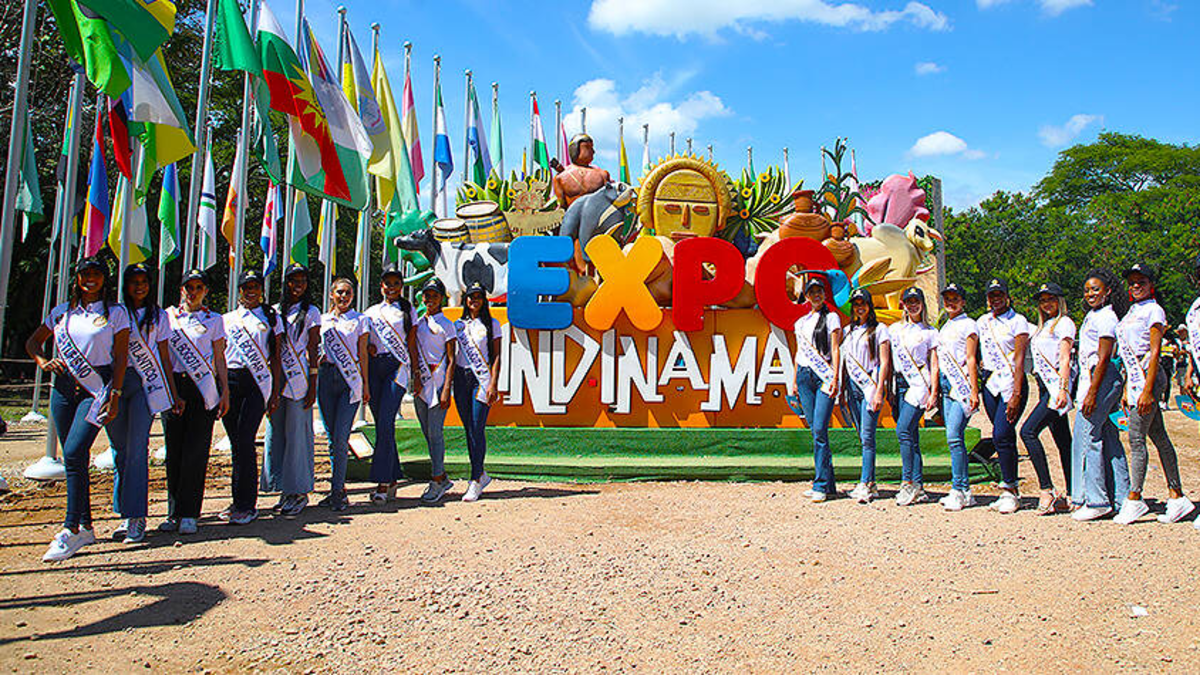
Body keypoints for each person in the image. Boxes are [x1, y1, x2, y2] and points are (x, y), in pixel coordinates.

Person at [26, 257, 130, 561]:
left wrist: (116, 394)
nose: (90, 278)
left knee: (72, 452)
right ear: (77, 278)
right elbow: (33, 342)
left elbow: (121, 358)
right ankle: (85, 525)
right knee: (76, 457)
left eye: (96, 273)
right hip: (62, 389)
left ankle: (70, 528)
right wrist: (44, 362)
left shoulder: (116, 313)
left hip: (96, 388)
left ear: (105, 278)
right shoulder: (62, 312)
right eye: (85, 274)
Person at [1112, 264, 1194, 525]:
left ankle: (1135, 498)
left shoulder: (1154, 310)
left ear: (1151, 285)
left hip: (1149, 376)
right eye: (1132, 282)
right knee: (1158, 435)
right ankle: (1177, 495)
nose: (1136, 286)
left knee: (1136, 438)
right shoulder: (1131, 311)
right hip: (1135, 377)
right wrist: (1128, 387)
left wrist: (1148, 390)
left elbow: (1155, 350)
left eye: (1142, 282)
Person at [108, 263, 180, 544]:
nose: (139, 287)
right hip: (116, 382)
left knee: (137, 447)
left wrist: (173, 393)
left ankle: (137, 515)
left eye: (144, 282)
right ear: (125, 285)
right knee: (119, 450)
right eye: (134, 282)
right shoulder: (115, 312)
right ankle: (123, 511)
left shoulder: (159, 316)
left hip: (145, 384)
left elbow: (164, 356)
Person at [161, 269, 230, 535]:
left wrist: (224, 390)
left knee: (196, 451)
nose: (193, 292)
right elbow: (162, 355)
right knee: (173, 451)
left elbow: (219, 357)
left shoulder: (214, 320)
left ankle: (190, 512)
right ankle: (173, 512)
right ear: (181, 290)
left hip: (203, 388)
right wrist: (169, 390)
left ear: (205, 291)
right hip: (174, 386)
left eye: (198, 287)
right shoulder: (168, 317)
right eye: (188, 287)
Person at [221, 270, 283, 525]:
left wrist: (275, 392)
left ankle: (247, 504)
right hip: (231, 381)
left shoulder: (271, 318)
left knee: (246, 440)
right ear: (239, 290)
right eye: (246, 287)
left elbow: (276, 357)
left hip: (257, 383)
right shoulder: (227, 319)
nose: (251, 291)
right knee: (236, 443)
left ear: (261, 290)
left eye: (255, 286)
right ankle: (238, 500)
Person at [1071, 269, 1131, 521]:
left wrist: (1093, 393)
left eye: (1096, 289)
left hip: (1101, 378)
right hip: (1094, 378)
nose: (1090, 294)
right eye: (1087, 290)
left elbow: (1104, 357)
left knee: (1087, 437)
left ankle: (1096, 499)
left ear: (1108, 291)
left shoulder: (1107, 317)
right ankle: (1123, 497)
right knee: (1109, 437)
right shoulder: (1092, 315)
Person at [262, 263, 321, 515]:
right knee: (276, 434)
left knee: (298, 435)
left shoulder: (312, 312)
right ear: (286, 283)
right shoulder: (275, 311)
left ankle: (299, 490)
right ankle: (282, 487)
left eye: (303, 281)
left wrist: (313, 384)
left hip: (299, 379)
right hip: (278, 378)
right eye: (294, 280)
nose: (298, 285)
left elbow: (313, 349)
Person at [975, 278, 1031, 514]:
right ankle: (1008, 487)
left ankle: (1011, 488)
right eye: (992, 295)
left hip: (1011, 382)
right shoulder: (982, 322)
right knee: (1001, 436)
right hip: (991, 384)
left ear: (1007, 296)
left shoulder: (1018, 322)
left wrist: (1016, 393)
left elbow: (1019, 359)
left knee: (1003, 433)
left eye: (999, 294)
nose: (996, 299)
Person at [1018, 283, 1074, 515]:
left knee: (1028, 432)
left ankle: (1046, 489)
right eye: (1042, 300)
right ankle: (1073, 492)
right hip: (1044, 385)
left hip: (1056, 387)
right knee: (1063, 440)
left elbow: (1065, 359)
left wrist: (1062, 389)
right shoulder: (1043, 327)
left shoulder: (1065, 323)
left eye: (1051, 299)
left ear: (1060, 300)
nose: (1046, 304)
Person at [364, 263, 416, 504]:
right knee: (382, 425)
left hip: (397, 368)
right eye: (388, 283)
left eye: (396, 283)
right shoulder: (371, 312)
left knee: (386, 421)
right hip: (375, 369)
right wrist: (368, 347)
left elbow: (412, 343)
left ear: (401, 286)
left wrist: (416, 374)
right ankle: (393, 477)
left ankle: (383, 483)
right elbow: (363, 341)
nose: (391, 287)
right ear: (381, 286)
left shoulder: (408, 310)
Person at [317, 278, 370, 511]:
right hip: (326, 377)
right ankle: (336, 489)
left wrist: (365, 384)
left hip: (349, 380)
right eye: (339, 292)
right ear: (331, 294)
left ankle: (338, 490)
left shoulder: (360, 320)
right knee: (331, 438)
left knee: (341, 437)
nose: (343, 296)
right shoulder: (322, 320)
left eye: (348, 293)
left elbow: (363, 353)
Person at [792, 275, 842, 502]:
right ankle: (828, 484)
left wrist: (835, 377)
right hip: (804, 376)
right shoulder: (800, 323)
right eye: (811, 292)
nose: (816, 296)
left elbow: (835, 348)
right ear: (806, 296)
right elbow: (798, 353)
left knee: (821, 429)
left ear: (824, 294)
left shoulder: (831, 318)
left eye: (819, 292)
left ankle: (820, 484)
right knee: (815, 430)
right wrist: (794, 380)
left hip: (823, 376)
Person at [452, 281, 503, 502]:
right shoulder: (458, 325)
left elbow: (497, 356)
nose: (474, 300)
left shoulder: (492, 324)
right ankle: (480, 474)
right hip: (460, 378)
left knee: (477, 427)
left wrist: (493, 383)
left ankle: (475, 479)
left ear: (484, 300)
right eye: (471, 296)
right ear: (466, 300)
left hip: (481, 380)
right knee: (468, 429)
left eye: (478, 297)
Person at [889, 287, 939, 506]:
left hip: (919, 382)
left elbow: (934, 364)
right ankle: (918, 485)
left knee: (903, 430)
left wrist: (934, 392)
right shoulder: (894, 329)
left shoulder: (930, 332)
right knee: (911, 435)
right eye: (909, 301)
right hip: (900, 382)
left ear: (922, 304)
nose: (912, 305)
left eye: (916, 301)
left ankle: (908, 481)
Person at [840, 288, 889, 504]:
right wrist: (842, 390)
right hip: (852, 387)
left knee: (868, 436)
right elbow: (844, 362)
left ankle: (865, 482)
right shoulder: (847, 331)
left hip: (870, 385)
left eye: (863, 303)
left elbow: (884, 362)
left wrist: (879, 391)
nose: (860, 308)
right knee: (862, 435)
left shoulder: (880, 330)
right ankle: (871, 481)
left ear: (869, 306)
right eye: (856, 304)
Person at [413, 277, 458, 504]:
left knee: (435, 433)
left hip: (438, 383)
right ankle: (441, 475)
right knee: (426, 432)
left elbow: (451, 359)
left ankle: (437, 478)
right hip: (421, 383)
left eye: (435, 295)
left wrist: (447, 388)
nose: (430, 299)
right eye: (427, 295)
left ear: (441, 298)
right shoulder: (418, 323)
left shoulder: (447, 325)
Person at [937, 283, 980, 512]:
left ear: (963, 301)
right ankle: (964, 490)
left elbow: (971, 358)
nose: (951, 303)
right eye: (947, 299)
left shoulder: (969, 325)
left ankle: (959, 488)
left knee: (954, 436)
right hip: (946, 384)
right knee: (954, 438)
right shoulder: (946, 325)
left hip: (960, 385)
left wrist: (973, 389)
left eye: (955, 299)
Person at [552, 133, 611, 209]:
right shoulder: (560, 177)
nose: (593, 151)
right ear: (575, 149)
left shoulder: (602, 175)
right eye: (587, 147)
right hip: (572, 215)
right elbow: (561, 206)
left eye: (592, 147)